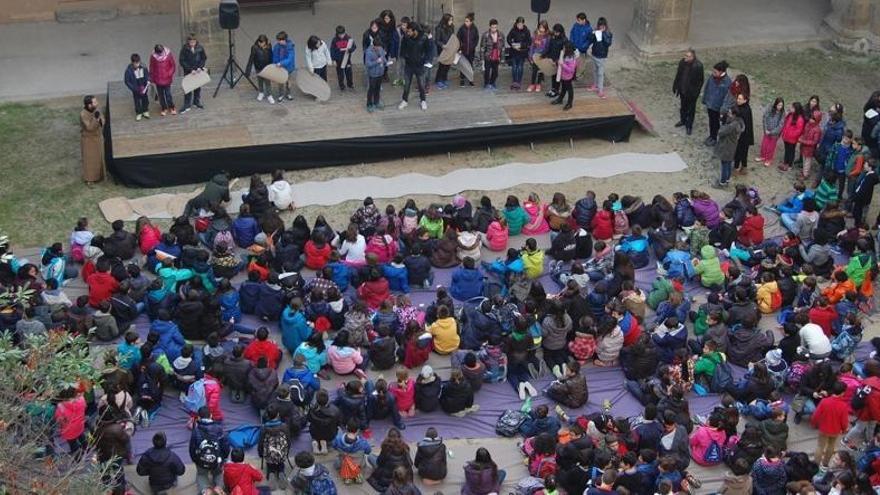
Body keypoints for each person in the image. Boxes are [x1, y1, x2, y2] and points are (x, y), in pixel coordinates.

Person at [189, 406, 229, 494]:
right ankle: (219, 487)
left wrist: (195, 460)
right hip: (217, 459)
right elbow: (225, 447)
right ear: (211, 415)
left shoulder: (196, 431)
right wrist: (223, 458)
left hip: (201, 459)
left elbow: (192, 448)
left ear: (199, 417)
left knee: (201, 474)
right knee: (218, 473)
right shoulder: (219, 429)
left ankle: (206, 490)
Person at [398, 22, 430, 111]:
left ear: (415, 31)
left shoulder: (424, 38)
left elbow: (428, 50)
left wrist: (425, 60)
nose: (407, 33)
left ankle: (423, 100)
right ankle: (404, 100)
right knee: (407, 84)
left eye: (409, 31)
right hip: (409, 65)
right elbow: (402, 50)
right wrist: (405, 56)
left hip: (419, 65)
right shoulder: (406, 38)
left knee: (421, 84)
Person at [672, 48, 704, 136]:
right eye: (685, 55)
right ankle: (683, 120)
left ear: (692, 57)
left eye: (687, 56)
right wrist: (675, 86)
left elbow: (700, 81)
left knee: (691, 110)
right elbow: (678, 75)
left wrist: (696, 93)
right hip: (683, 90)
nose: (685, 57)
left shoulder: (698, 66)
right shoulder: (682, 63)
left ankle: (689, 126)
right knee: (683, 107)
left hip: (692, 93)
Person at [702, 60, 731, 146]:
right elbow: (707, 88)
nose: (713, 73)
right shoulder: (712, 77)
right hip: (710, 105)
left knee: (718, 123)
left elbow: (727, 97)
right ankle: (712, 136)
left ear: (721, 72)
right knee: (712, 121)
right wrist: (705, 100)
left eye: (715, 72)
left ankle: (716, 138)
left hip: (719, 107)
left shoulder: (727, 82)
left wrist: (724, 109)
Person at [715, 105, 745, 187]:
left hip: (726, 147)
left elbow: (721, 132)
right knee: (728, 164)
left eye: (730, 113)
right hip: (732, 147)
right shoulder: (738, 123)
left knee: (725, 164)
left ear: (734, 115)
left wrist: (721, 123)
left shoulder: (732, 125)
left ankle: (722, 183)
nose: (728, 113)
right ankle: (727, 180)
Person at [80, 94, 105, 184]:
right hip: (88, 140)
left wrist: (100, 120)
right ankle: (89, 179)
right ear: (89, 105)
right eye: (94, 102)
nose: (97, 103)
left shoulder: (97, 109)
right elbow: (89, 127)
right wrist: (95, 119)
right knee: (89, 160)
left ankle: (99, 176)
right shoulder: (83, 114)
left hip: (97, 138)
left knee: (98, 158)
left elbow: (103, 120)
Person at [179, 34, 207, 113]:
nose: (192, 43)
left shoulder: (200, 48)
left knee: (197, 87)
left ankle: (196, 102)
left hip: (197, 70)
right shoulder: (184, 49)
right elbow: (182, 60)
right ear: (188, 42)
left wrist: (200, 67)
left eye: (193, 42)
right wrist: (190, 69)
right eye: (191, 42)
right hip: (189, 71)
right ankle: (187, 104)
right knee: (188, 88)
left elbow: (203, 58)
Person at [586, 17, 612, 98]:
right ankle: (595, 85)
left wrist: (603, 34)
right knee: (594, 71)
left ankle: (600, 90)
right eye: (599, 25)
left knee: (600, 74)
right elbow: (590, 39)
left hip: (602, 56)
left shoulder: (608, 33)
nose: (600, 27)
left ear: (605, 25)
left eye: (602, 25)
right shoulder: (596, 31)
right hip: (594, 54)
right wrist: (593, 33)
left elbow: (608, 43)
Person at [149, 44, 176, 115]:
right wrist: (151, 78)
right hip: (158, 79)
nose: (160, 54)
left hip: (167, 78)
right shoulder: (153, 57)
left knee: (168, 94)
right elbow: (151, 67)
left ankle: (172, 107)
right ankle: (164, 108)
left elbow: (172, 65)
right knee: (161, 95)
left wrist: (169, 73)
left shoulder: (168, 54)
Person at [245, 34, 273, 102]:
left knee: (267, 82)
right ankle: (261, 93)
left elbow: (271, 57)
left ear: (265, 42)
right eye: (259, 42)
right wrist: (248, 71)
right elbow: (251, 59)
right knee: (260, 81)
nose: (260, 44)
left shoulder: (269, 47)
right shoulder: (254, 47)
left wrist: (272, 67)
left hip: (267, 68)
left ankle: (269, 95)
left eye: (262, 42)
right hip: (258, 68)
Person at [733, 90, 755, 175]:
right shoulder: (746, 108)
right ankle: (744, 167)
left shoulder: (743, 111)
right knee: (744, 152)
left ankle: (736, 168)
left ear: (745, 100)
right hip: (746, 135)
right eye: (738, 98)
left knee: (738, 153)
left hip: (743, 136)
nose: (738, 100)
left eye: (740, 99)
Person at [124, 53, 151, 121]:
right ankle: (139, 113)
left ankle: (145, 111)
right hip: (136, 88)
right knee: (137, 101)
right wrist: (134, 88)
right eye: (136, 63)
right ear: (132, 62)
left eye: (138, 62)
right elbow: (127, 81)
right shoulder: (129, 70)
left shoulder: (144, 67)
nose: (137, 64)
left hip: (144, 86)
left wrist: (148, 80)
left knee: (145, 99)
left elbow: (147, 75)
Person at [507, 17, 531, 90]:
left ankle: (519, 81)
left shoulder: (526, 31)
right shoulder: (513, 30)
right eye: (518, 24)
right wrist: (512, 44)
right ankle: (514, 81)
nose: (519, 26)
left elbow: (528, 42)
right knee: (514, 66)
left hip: (522, 51)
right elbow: (508, 39)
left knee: (520, 66)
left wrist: (521, 45)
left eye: (521, 24)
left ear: (523, 24)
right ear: (516, 23)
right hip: (514, 51)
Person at [552, 42, 577, 110]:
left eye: (564, 48)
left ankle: (570, 103)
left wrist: (562, 64)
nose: (563, 49)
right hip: (563, 76)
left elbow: (571, 70)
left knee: (569, 89)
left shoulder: (571, 58)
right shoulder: (564, 55)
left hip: (568, 77)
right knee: (563, 88)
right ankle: (560, 99)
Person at [329, 25, 356, 91]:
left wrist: (350, 50)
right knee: (340, 74)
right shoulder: (334, 40)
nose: (341, 36)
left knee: (349, 73)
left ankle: (350, 84)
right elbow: (332, 50)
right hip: (339, 60)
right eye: (340, 35)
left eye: (343, 34)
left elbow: (354, 46)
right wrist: (333, 59)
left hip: (347, 59)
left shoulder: (348, 38)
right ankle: (342, 86)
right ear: (337, 34)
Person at [272, 31, 296, 103]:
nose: (279, 42)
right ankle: (281, 95)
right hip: (280, 67)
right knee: (280, 82)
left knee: (288, 82)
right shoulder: (277, 46)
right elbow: (275, 56)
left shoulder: (290, 46)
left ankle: (288, 94)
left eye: (280, 40)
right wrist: (275, 63)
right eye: (278, 40)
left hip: (288, 68)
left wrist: (281, 63)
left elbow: (290, 58)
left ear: (284, 39)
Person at [480, 19, 504, 90]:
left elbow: (502, 47)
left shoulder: (501, 34)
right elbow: (482, 47)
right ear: (490, 27)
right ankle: (486, 83)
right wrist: (482, 58)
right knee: (487, 71)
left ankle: (492, 82)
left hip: (497, 55)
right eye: (492, 27)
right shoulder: (486, 35)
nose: (494, 29)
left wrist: (502, 58)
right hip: (488, 55)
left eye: (495, 27)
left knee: (495, 72)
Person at [457, 13, 479, 87]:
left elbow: (476, 38)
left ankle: (470, 79)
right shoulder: (462, 28)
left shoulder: (474, 28)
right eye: (465, 21)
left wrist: (474, 45)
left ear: (471, 22)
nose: (465, 22)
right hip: (463, 50)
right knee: (463, 65)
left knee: (470, 64)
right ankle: (462, 79)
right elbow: (458, 38)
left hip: (471, 50)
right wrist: (459, 48)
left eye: (467, 21)